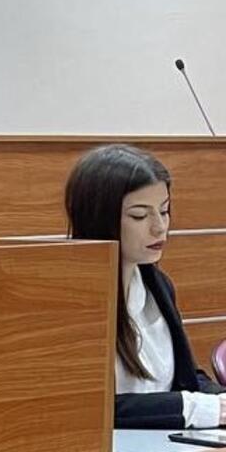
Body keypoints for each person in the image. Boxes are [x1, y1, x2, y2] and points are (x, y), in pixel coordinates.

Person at [64, 144, 224, 429]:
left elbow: (186, 379)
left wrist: (218, 401)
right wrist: (195, 408)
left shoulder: (158, 285)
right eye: (139, 215)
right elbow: (89, 405)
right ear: (100, 217)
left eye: (164, 211)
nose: (159, 227)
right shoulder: (71, 301)